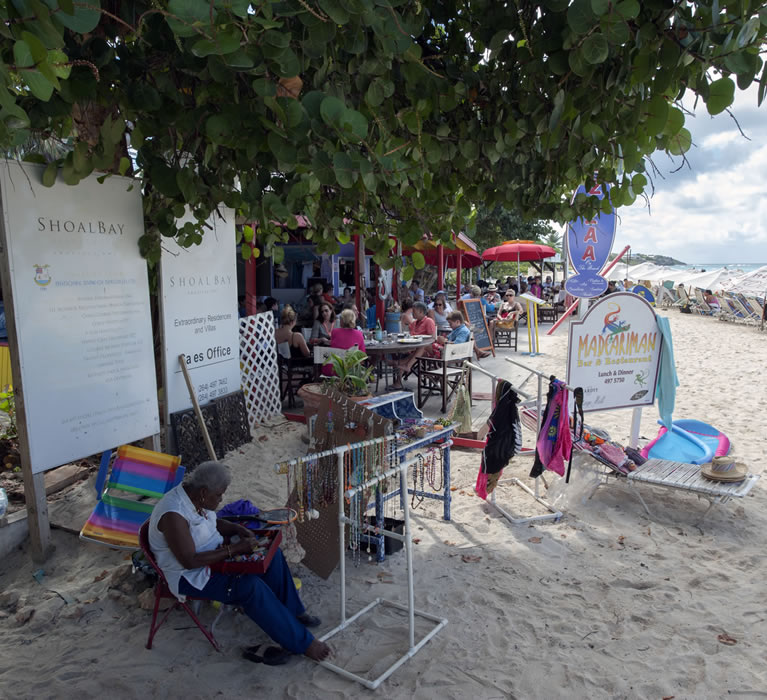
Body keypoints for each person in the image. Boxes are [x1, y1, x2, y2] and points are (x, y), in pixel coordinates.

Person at [148, 461, 330, 665]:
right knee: (249, 587)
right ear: (204, 492)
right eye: (219, 495)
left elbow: (212, 521)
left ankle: (294, 612)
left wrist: (237, 529)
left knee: (273, 555)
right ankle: (303, 644)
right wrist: (234, 549)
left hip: (214, 557)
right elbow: (190, 561)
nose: (221, 499)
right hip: (190, 576)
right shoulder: (174, 514)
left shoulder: (195, 496)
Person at [322, 309, 366, 376]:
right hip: (350, 371)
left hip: (333, 369)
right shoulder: (359, 334)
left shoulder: (335, 332)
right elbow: (362, 357)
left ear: (342, 320)